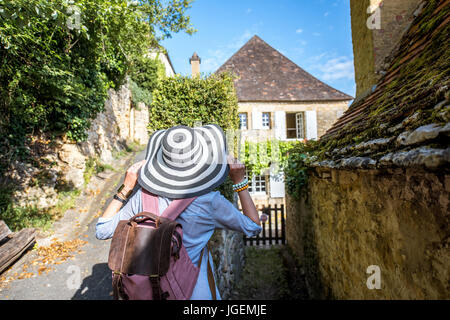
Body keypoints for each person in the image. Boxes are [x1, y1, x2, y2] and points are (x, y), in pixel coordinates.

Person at [95, 124, 262, 300]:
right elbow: (252, 227)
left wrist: (126, 187)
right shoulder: (210, 201)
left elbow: (102, 230)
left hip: (151, 292)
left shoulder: (142, 196)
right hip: (195, 292)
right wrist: (240, 181)